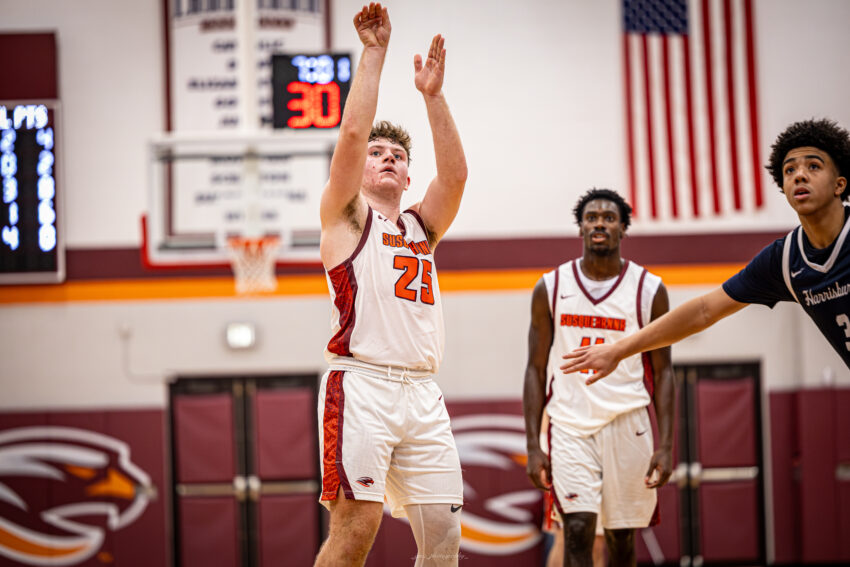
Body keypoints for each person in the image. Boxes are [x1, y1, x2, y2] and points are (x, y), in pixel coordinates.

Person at [315, 4, 468, 567]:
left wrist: (433, 96)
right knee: (356, 531)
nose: (386, 159)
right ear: (359, 168)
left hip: (423, 391)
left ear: (407, 177)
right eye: (377, 154)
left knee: (444, 539)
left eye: (397, 156)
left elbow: (455, 176)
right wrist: (374, 53)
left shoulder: (421, 226)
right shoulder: (345, 216)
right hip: (362, 385)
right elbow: (354, 131)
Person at [562, 118, 850, 381]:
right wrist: (619, 349)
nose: (799, 175)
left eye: (813, 166)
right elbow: (704, 310)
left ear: (839, 185)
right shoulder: (785, 260)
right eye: (790, 170)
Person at [523, 188, 675, 567]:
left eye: (609, 218)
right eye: (591, 218)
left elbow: (663, 371)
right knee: (577, 529)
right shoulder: (551, 286)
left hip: (628, 422)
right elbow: (535, 369)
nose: (599, 224)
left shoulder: (649, 289)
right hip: (570, 425)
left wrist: (667, 444)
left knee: (622, 539)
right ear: (580, 228)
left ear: (623, 228)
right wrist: (533, 445)